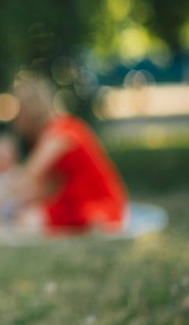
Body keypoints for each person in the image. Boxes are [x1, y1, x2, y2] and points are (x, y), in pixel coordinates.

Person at [12, 74, 127, 232]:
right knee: (27, 219)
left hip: (94, 203)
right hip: (71, 202)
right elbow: (46, 187)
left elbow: (29, 176)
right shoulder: (59, 131)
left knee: (28, 221)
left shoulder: (59, 134)